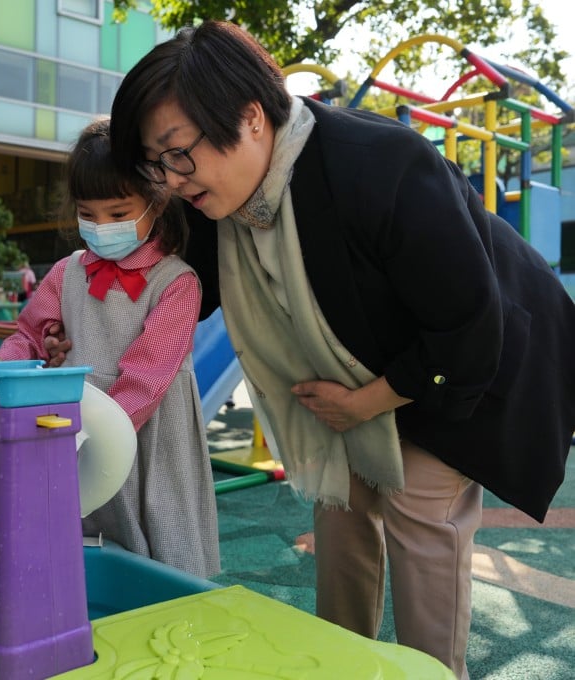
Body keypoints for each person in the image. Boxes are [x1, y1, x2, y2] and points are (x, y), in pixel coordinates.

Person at [108, 20, 575, 680]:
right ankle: (338, 664)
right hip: (350, 382)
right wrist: (85, 321)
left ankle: (431, 674)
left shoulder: (377, 165)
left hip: (459, 367)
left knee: (420, 516)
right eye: (156, 163)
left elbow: (468, 328)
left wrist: (367, 403)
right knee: (341, 512)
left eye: (177, 151)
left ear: (250, 117)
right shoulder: (220, 200)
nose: (171, 177)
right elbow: (183, 295)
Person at [0, 119, 221, 578]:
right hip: (79, 427)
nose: (101, 227)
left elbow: (145, 379)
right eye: (88, 214)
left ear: (157, 202)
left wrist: (92, 438)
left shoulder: (177, 282)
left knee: (157, 549)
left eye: (118, 214)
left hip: (144, 434)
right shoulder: (67, 272)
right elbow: (29, 336)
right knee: (81, 547)